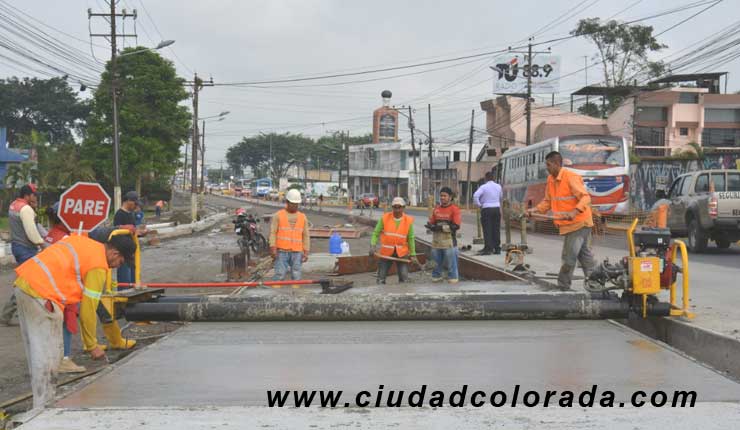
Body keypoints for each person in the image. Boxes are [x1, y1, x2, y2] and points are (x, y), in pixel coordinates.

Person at [14, 230, 136, 409]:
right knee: (48, 357)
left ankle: (39, 404)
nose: (117, 266)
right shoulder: (98, 265)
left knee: (36, 353)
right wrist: (92, 345)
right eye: (120, 262)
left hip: (24, 285)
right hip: (43, 296)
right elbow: (88, 309)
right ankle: (43, 411)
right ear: (114, 253)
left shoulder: (84, 242)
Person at [527, 151, 596, 290]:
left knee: (569, 257)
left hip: (579, 223)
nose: (547, 168)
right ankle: (595, 283)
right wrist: (535, 210)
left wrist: (575, 211)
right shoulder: (551, 179)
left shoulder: (571, 177)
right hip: (569, 224)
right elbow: (548, 201)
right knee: (584, 256)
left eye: (549, 165)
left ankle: (563, 286)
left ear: (557, 164)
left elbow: (586, 198)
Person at [42, 203, 86, 374]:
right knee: (67, 323)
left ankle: (53, 358)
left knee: (53, 324)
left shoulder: (51, 235)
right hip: (62, 288)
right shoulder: (65, 239)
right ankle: (64, 358)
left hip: (48, 286)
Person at [1, 184, 45, 326]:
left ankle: (16, 314)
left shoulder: (14, 205)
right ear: (27, 195)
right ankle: (9, 314)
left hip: (17, 246)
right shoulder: (25, 209)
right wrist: (42, 244)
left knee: (27, 281)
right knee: (28, 282)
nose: (35, 197)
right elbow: (32, 232)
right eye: (33, 195)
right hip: (26, 249)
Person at [371, 197, 419, 284]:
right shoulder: (385, 218)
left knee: (404, 278)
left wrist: (413, 254)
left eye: (399, 207)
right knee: (381, 278)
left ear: (403, 207)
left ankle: (402, 293)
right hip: (386, 252)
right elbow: (375, 233)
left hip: (402, 253)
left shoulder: (408, 221)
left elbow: (411, 238)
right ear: (392, 207)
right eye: (395, 207)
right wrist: (372, 245)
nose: (397, 210)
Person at [269, 189, 310, 281]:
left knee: (297, 275)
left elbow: (306, 235)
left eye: (296, 204)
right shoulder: (278, 215)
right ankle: (276, 293)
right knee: (279, 274)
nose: (295, 206)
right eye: (293, 203)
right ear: (287, 202)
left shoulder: (302, 217)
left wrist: (306, 251)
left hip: (297, 251)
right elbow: (273, 233)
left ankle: (296, 293)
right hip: (282, 251)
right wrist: (273, 247)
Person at [426, 187, 461, 283]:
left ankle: (453, 279)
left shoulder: (454, 209)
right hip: (436, 242)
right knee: (436, 264)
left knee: (451, 264)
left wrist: (441, 228)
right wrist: (431, 226)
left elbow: (456, 226)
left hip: (449, 242)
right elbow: (432, 222)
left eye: (444, 196)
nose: (442, 197)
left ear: (450, 197)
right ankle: (436, 277)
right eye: (441, 195)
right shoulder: (436, 209)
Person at [113, 191, 147, 288]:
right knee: (125, 281)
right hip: (123, 252)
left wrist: (139, 233)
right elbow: (118, 232)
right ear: (128, 201)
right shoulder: (119, 214)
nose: (135, 207)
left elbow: (132, 230)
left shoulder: (131, 214)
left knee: (133, 279)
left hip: (132, 252)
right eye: (135, 204)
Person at [473, 172, 503, 255]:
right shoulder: (498, 186)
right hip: (496, 209)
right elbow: (501, 196)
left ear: (486, 178)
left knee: (487, 229)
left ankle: (488, 248)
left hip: (486, 209)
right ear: (493, 178)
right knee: (496, 229)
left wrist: (479, 204)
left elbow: (475, 195)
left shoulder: (483, 187)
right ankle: (497, 248)